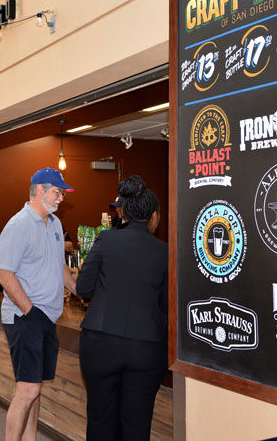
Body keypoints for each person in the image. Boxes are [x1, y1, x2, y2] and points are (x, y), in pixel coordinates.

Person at [76, 176, 168, 441]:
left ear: (123, 212)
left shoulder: (105, 241)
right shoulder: (165, 252)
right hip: (147, 347)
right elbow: (165, 305)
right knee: (137, 426)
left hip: (101, 341)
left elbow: (84, 288)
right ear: (154, 216)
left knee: (101, 419)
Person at [0, 168, 78, 441]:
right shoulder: (18, 225)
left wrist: (78, 290)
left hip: (46, 318)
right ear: (40, 190)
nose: (61, 198)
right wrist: (31, 312)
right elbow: (5, 275)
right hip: (25, 317)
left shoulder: (54, 224)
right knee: (28, 389)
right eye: (58, 192)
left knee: (34, 387)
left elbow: (60, 265)